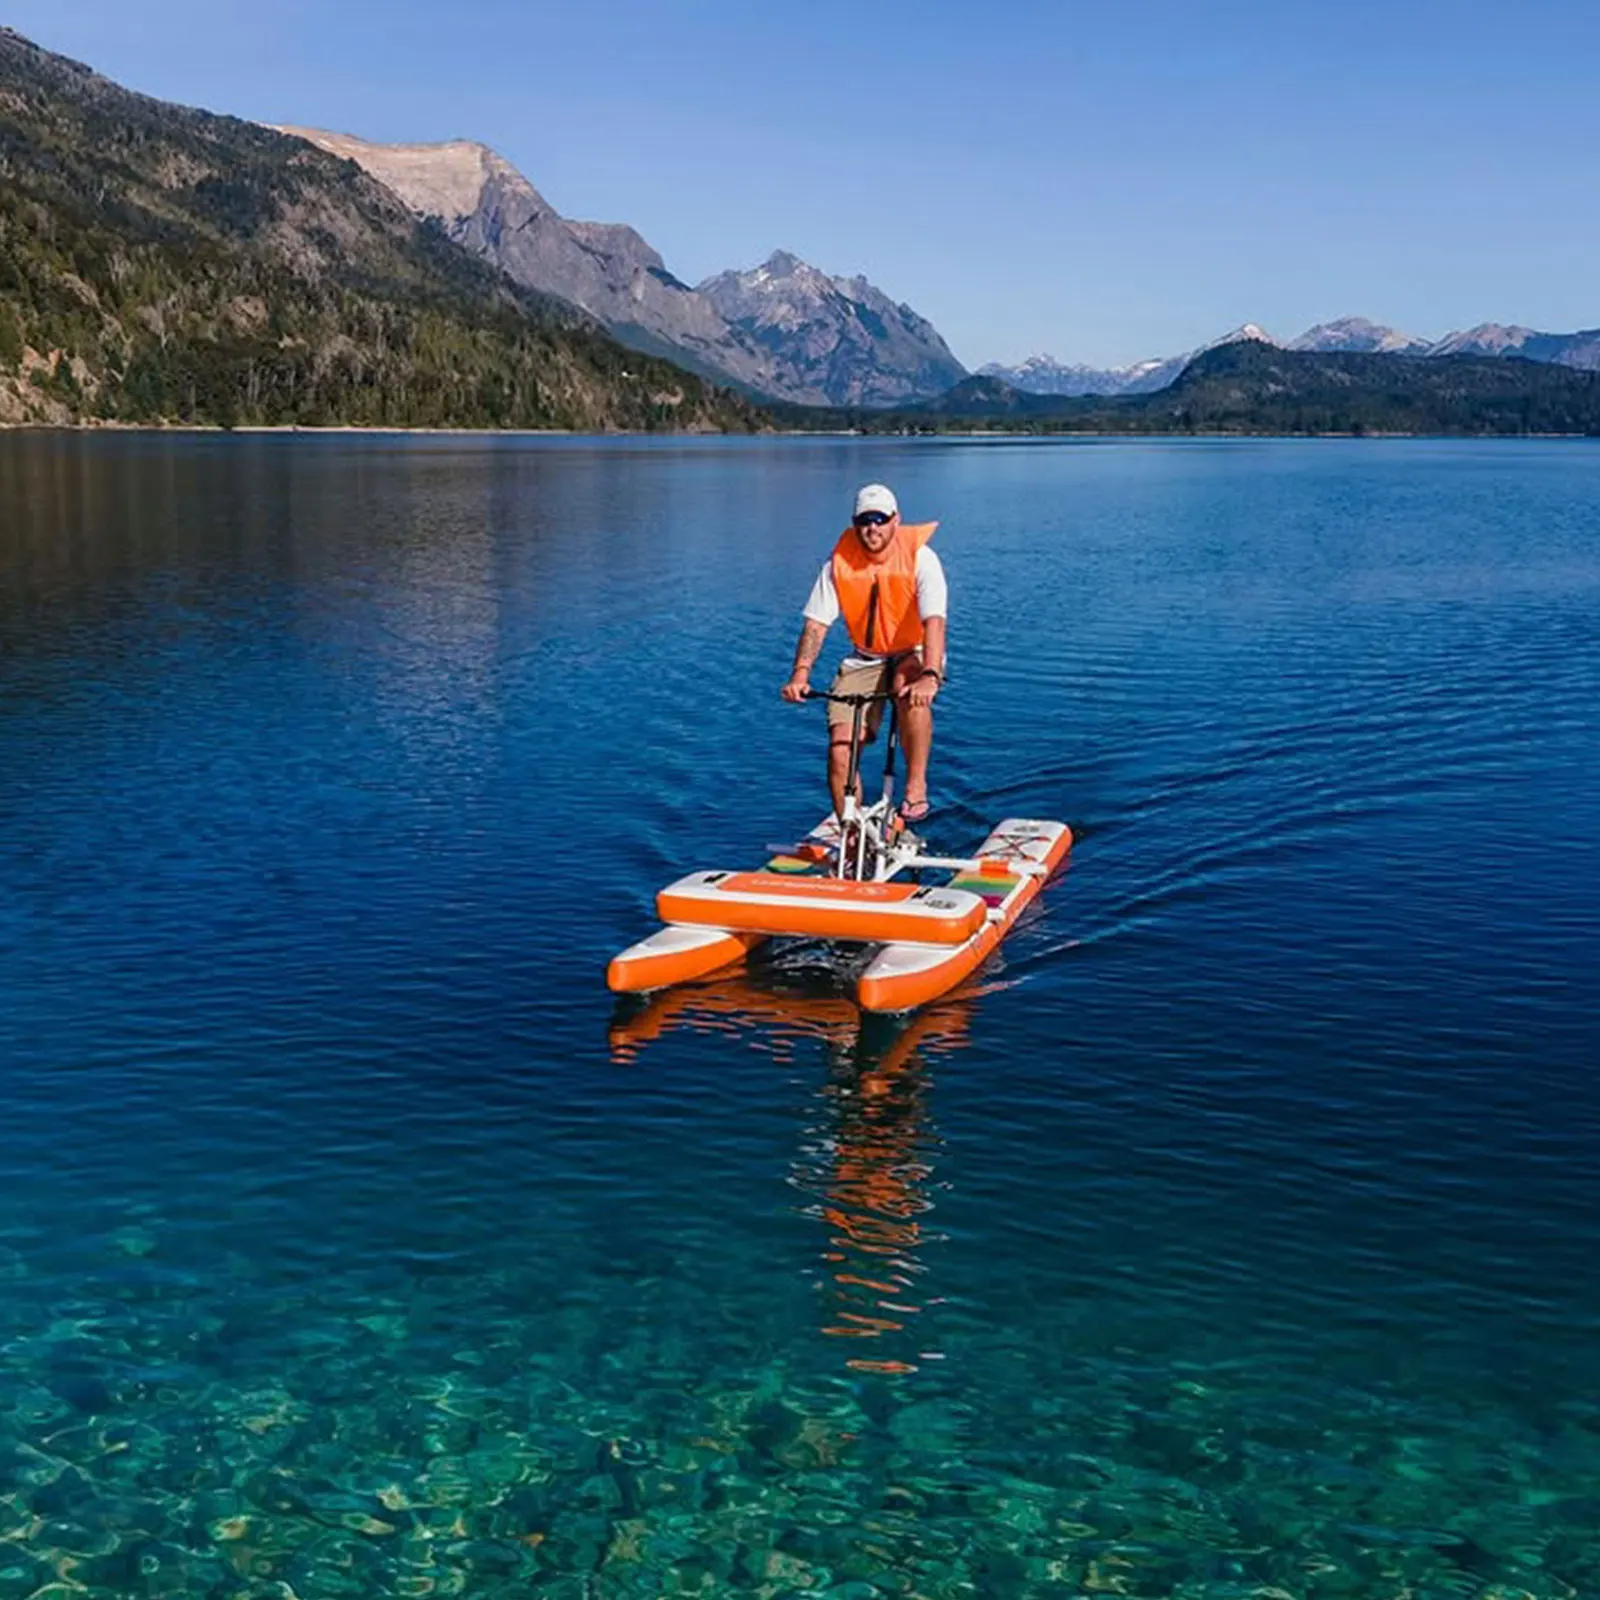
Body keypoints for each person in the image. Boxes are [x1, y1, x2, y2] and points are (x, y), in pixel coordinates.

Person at [781, 483, 947, 824]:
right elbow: (816, 625)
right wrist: (801, 674)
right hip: (865, 657)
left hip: (912, 652)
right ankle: (851, 830)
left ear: (895, 520)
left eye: (880, 519)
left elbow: (934, 623)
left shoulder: (921, 559)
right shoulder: (838, 563)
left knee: (911, 692)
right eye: (864, 520)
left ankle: (915, 786)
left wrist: (931, 675)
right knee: (840, 746)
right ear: (854, 522)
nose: (872, 528)